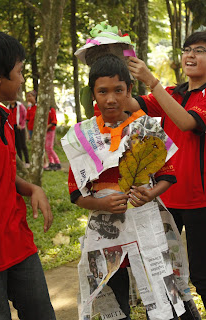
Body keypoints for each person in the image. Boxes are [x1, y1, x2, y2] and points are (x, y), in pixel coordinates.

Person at [62, 54, 186, 320]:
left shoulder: (146, 128)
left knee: (163, 291)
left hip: (146, 226)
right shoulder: (81, 136)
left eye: (119, 90)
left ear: (129, 91)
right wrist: (99, 203)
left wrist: (151, 193)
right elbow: (76, 192)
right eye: (102, 91)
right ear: (92, 94)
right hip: (106, 232)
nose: (110, 99)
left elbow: (168, 175)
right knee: (115, 296)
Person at [126, 30, 206, 311]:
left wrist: (151, 81)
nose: (190, 55)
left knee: (202, 276)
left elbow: (186, 123)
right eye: (187, 49)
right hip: (164, 198)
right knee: (165, 273)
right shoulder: (172, 93)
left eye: (199, 50)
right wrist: (112, 69)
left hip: (201, 202)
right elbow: (128, 105)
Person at [0, 31, 56, 319]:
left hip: (18, 242)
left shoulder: (4, 121)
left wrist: (31, 188)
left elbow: (4, 175)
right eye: (18, 72)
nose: (22, 80)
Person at [7, 100, 30, 168]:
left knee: (23, 145)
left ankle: (27, 161)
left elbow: (24, 115)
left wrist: (22, 125)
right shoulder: (8, 107)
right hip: (12, 128)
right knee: (17, 145)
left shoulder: (20, 106)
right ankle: (21, 161)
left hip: (20, 128)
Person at [44, 106, 61, 171]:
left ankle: (57, 163)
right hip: (46, 131)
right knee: (46, 147)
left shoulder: (51, 110)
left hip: (51, 130)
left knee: (49, 148)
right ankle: (51, 162)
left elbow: (54, 121)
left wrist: (48, 126)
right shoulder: (42, 109)